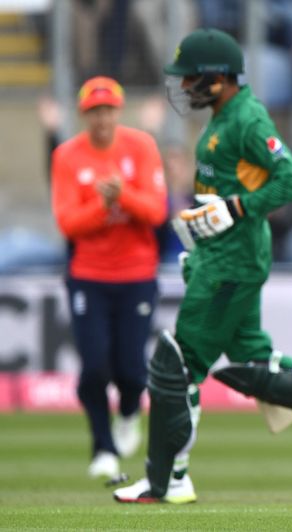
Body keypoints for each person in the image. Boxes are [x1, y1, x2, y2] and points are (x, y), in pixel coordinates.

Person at [113, 28, 292, 504]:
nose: (184, 88)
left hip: (232, 264)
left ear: (218, 79)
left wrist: (235, 211)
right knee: (253, 365)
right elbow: (223, 191)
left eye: (190, 79)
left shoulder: (247, 118)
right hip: (221, 257)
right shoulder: (222, 116)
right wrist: (201, 236)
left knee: (175, 366)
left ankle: (170, 480)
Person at [50, 76, 167, 480]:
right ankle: (102, 446)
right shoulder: (68, 156)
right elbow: (68, 223)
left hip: (136, 273)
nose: (102, 118)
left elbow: (156, 212)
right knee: (94, 366)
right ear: (85, 114)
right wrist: (104, 204)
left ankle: (131, 412)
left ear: (118, 110)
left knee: (132, 370)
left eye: (108, 109)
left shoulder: (142, 147)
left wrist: (124, 196)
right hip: (89, 276)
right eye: (94, 111)